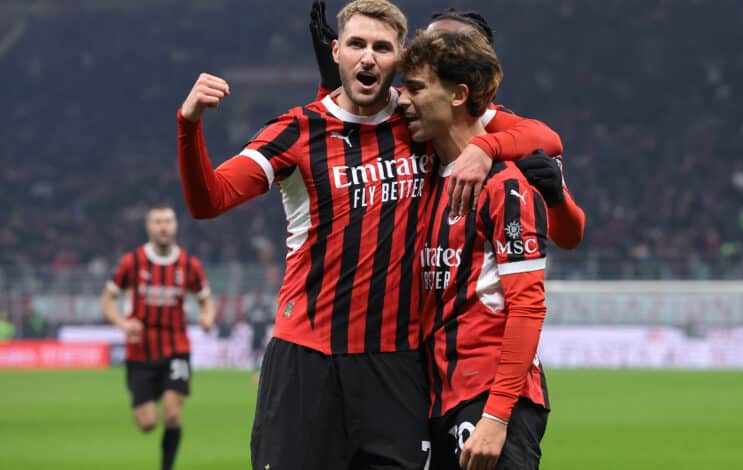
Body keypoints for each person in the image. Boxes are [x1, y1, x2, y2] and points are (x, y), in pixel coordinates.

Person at [177, 1, 561, 468]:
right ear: (336, 51)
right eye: (357, 44)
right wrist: (189, 126)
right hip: (307, 360)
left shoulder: (418, 116)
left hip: (394, 367)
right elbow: (210, 199)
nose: (368, 57)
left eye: (382, 47)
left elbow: (545, 138)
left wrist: (486, 147)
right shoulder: (296, 131)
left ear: (399, 59)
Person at [309, 1, 585, 248]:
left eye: (447, 48)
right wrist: (333, 87)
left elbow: (548, 141)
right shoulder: (408, 108)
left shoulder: (501, 131)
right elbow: (341, 139)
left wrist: (485, 149)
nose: (430, 53)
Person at [399, 31, 552, 469]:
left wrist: (497, 416)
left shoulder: (506, 186)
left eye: (415, 88)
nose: (403, 101)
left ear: (458, 95)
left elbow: (527, 306)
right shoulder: (427, 180)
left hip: (489, 400)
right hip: (438, 398)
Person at [101, 204, 215, 470]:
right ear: (149, 227)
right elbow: (107, 300)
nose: (163, 227)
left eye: (168, 221)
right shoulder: (132, 262)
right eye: (158, 222)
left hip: (176, 347)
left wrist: (207, 317)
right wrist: (122, 323)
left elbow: (206, 300)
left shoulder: (189, 264)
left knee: (172, 415)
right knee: (148, 423)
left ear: (175, 226)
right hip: (140, 351)